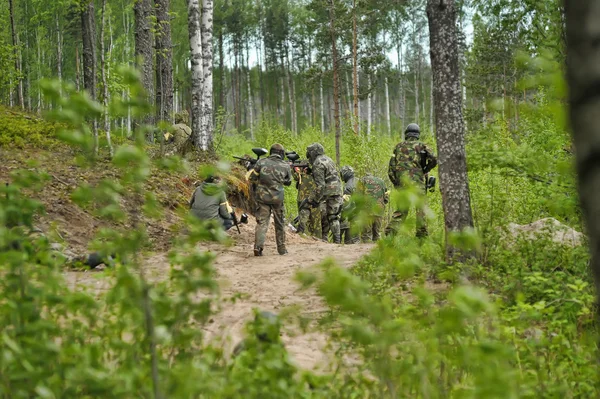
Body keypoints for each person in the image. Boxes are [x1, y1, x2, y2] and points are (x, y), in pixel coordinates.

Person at [386, 123, 437, 237]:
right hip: (418, 184)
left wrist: (397, 184)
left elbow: (390, 170)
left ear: (406, 134)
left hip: (403, 184)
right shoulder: (423, 146)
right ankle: (421, 236)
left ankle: (390, 235)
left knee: (401, 211)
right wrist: (425, 169)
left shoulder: (398, 147)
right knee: (421, 210)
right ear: (417, 134)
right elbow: (434, 159)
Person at [250, 143, 292, 256]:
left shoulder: (261, 162)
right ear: (281, 153)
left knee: (262, 223)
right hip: (278, 198)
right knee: (280, 223)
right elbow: (288, 182)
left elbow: (252, 178)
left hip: (262, 198)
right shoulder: (285, 165)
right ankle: (282, 249)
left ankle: (258, 247)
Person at [306, 143, 343, 244]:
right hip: (337, 189)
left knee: (324, 215)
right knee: (333, 216)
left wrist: (313, 199)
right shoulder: (328, 159)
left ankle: (325, 238)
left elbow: (320, 186)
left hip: (327, 191)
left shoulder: (317, 163)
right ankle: (337, 241)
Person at [357, 173, 389, 242]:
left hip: (367, 211)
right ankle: (376, 251)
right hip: (379, 211)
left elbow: (358, 196)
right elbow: (386, 198)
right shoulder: (381, 181)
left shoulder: (363, 180)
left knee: (366, 235)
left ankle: (365, 251)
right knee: (377, 235)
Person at [292, 164, 321, 237]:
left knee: (303, 221)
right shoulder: (317, 179)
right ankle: (317, 238)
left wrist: (293, 168)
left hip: (304, 202)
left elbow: (295, 176)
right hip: (315, 202)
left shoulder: (302, 176)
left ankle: (302, 234)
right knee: (315, 224)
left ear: (305, 170)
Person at [339, 166, 359, 244]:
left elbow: (346, 203)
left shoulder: (348, 185)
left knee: (353, 239)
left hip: (353, 213)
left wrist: (342, 215)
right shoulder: (358, 181)